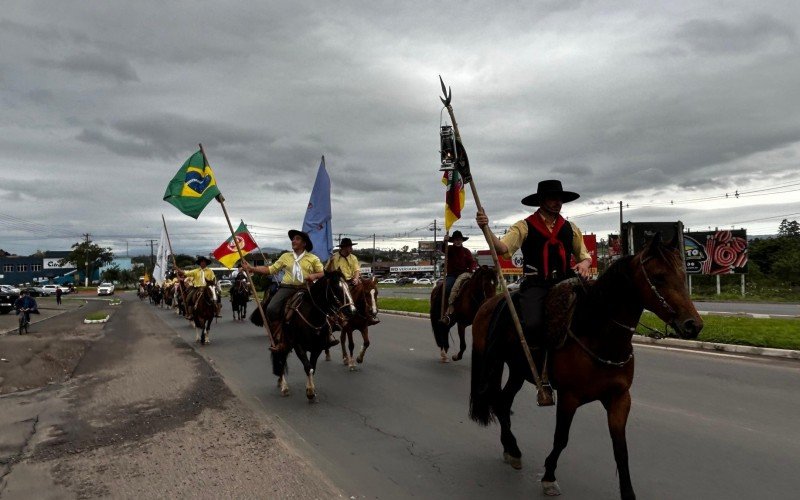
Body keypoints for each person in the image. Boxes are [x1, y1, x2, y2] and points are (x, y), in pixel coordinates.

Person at [476, 179, 591, 340]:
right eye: (552, 198)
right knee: (533, 324)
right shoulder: (523, 226)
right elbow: (502, 249)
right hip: (537, 284)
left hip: (566, 281)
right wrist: (485, 228)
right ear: (541, 201)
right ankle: (533, 360)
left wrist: (584, 264)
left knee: (593, 313)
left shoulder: (571, 228)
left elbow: (584, 256)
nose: (558, 202)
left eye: (560, 199)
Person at [243, 230, 338, 351]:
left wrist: (314, 276)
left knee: (324, 306)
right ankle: (280, 337)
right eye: (293, 239)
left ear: (304, 243)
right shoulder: (285, 256)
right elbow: (270, 269)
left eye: (297, 239)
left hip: (305, 288)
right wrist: (252, 268)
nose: (293, 241)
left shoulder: (313, 258)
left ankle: (328, 335)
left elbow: (322, 273)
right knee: (271, 309)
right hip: (287, 288)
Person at [326, 237, 379, 328]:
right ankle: (337, 317)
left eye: (351, 246)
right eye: (349, 247)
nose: (351, 248)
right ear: (344, 248)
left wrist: (355, 278)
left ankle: (368, 315)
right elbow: (327, 270)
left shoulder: (353, 257)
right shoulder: (334, 257)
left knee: (365, 291)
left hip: (351, 280)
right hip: (339, 281)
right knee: (336, 295)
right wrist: (330, 262)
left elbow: (357, 270)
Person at [438, 230, 477, 325]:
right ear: (453, 241)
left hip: (464, 275)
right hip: (452, 275)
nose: (458, 241)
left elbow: (472, 262)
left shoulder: (466, 251)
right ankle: (447, 310)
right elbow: (443, 249)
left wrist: (471, 270)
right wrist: (444, 241)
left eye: (459, 239)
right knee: (446, 288)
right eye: (456, 240)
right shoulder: (449, 249)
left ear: (462, 241)